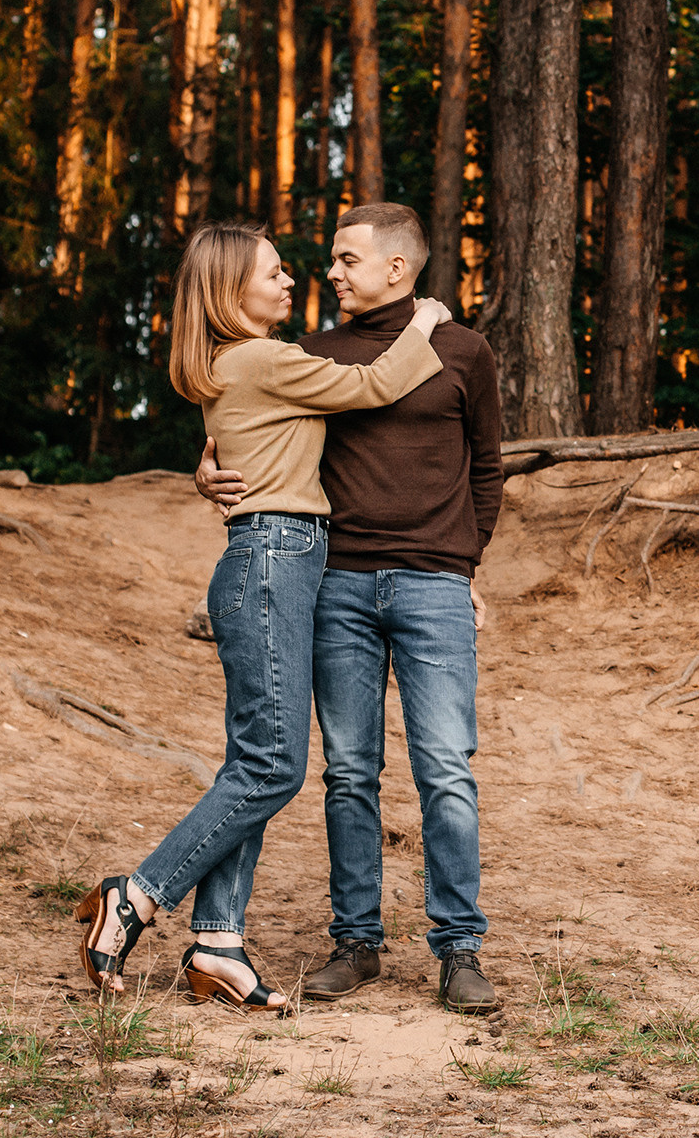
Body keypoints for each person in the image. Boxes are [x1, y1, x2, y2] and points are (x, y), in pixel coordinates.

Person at [77, 222, 452, 1013]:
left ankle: (218, 945)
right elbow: (375, 386)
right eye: (275, 273)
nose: (291, 282)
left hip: (276, 559)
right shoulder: (261, 358)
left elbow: (248, 444)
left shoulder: (236, 366)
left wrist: (204, 472)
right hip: (275, 560)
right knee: (273, 766)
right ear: (229, 291)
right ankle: (136, 896)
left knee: (251, 763)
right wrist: (423, 320)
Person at [195, 201, 505, 1015]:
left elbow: (489, 470)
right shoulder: (310, 353)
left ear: (397, 267)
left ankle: (459, 950)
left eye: (344, 259)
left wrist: (467, 564)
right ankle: (356, 942)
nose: (328, 272)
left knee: (446, 771)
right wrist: (207, 468)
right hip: (338, 583)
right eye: (326, 261)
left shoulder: (464, 352)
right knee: (348, 775)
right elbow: (253, 425)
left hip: (436, 583)